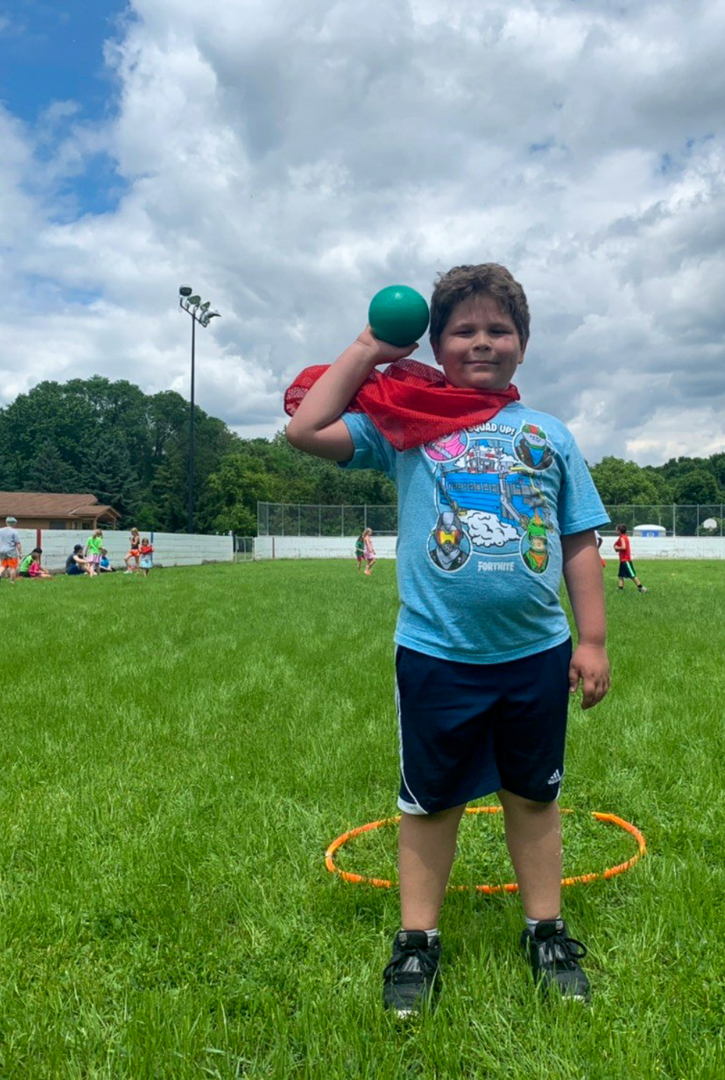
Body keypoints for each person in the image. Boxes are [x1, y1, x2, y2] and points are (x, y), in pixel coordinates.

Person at [285, 263, 610, 1017]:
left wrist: (590, 641)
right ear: (435, 345)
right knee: (430, 804)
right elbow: (306, 429)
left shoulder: (549, 434)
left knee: (533, 797)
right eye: (463, 330)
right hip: (438, 652)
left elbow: (579, 543)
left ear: (522, 345)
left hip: (535, 655)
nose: (482, 341)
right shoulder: (408, 422)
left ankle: (546, 931)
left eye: (499, 329)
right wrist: (370, 346)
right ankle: (417, 941)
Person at [612, 524, 647, 594]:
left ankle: (641, 588)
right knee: (620, 576)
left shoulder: (622, 538)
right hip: (623, 560)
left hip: (626, 560)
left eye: (616, 530)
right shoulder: (622, 537)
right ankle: (620, 590)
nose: (615, 531)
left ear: (619, 531)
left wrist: (617, 548)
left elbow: (624, 547)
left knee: (632, 575)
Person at [0, 516, 22, 583]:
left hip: (2, 551)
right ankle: (12, 581)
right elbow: (18, 543)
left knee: (3, 565)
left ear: (6, 522)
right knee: (13, 567)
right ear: (14, 523)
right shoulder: (14, 532)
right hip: (11, 551)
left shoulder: (0, 531)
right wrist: (20, 552)